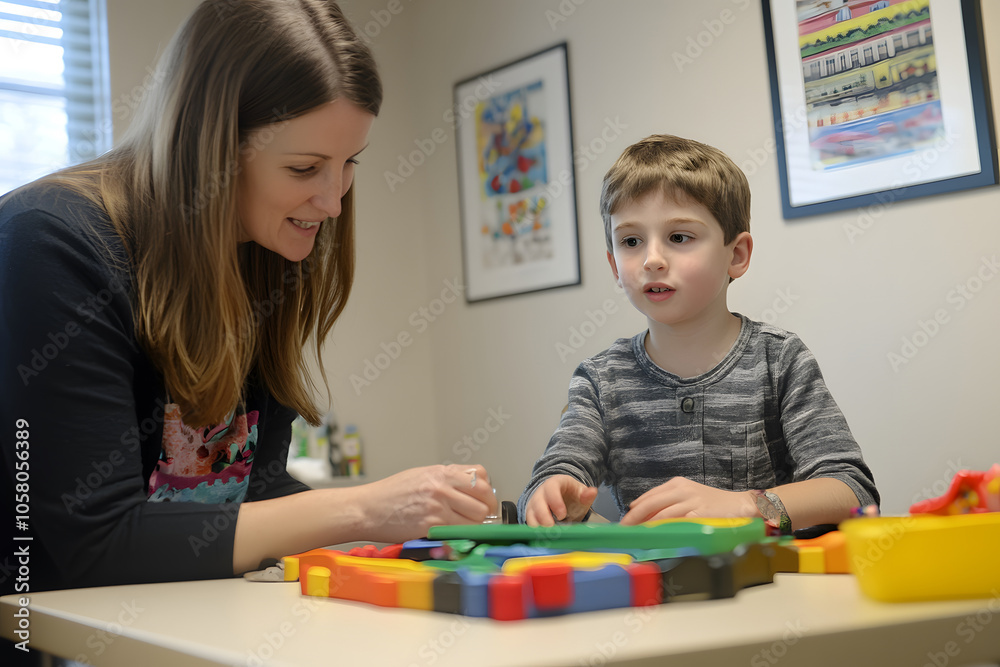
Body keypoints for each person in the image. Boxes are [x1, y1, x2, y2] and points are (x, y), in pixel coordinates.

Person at [0, 0, 496, 598]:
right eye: (305, 167)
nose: (334, 201)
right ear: (211, 147)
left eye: (348, 164)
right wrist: (365, 508)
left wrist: (438, 528)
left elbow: (249, 496)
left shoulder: (261, 251)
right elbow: (100, 543)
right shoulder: (46, 241)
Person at [517, 134, 878, 530]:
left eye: (678, 237)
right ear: (614, 267)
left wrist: (747, 506)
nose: (652, 259)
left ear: (736, 255)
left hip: (772, 584)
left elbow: (852, 490)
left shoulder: (780, 359)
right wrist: (550, 493)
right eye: (631, 241)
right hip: (651, 586)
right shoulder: (601, 380)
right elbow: (553, 475)